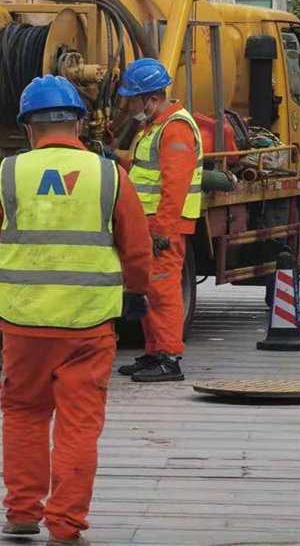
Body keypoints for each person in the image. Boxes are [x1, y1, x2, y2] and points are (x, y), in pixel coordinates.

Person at [0, 75, 151, 546]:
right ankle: (66, 527)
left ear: (28, 128)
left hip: (24, 322)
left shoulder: (8, 172)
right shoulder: (110, 174)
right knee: (79, 425)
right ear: (77, 122)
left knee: (24, 414)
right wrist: (135, 294)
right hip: (88, 325)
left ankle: (21, 513)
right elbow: (137, 249)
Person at [116, 58, 203, 382]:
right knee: (147, 289)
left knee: (163, 292)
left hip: (163, 227)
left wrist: (162, 231)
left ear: (150, 99)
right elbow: (145, 172)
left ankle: (168, 358)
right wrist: (118, 159)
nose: (130, 105)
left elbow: (174, 184)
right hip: (148, 225)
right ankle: (153, 353)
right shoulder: (155, 127)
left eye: (133, 99)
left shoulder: (175, 128)